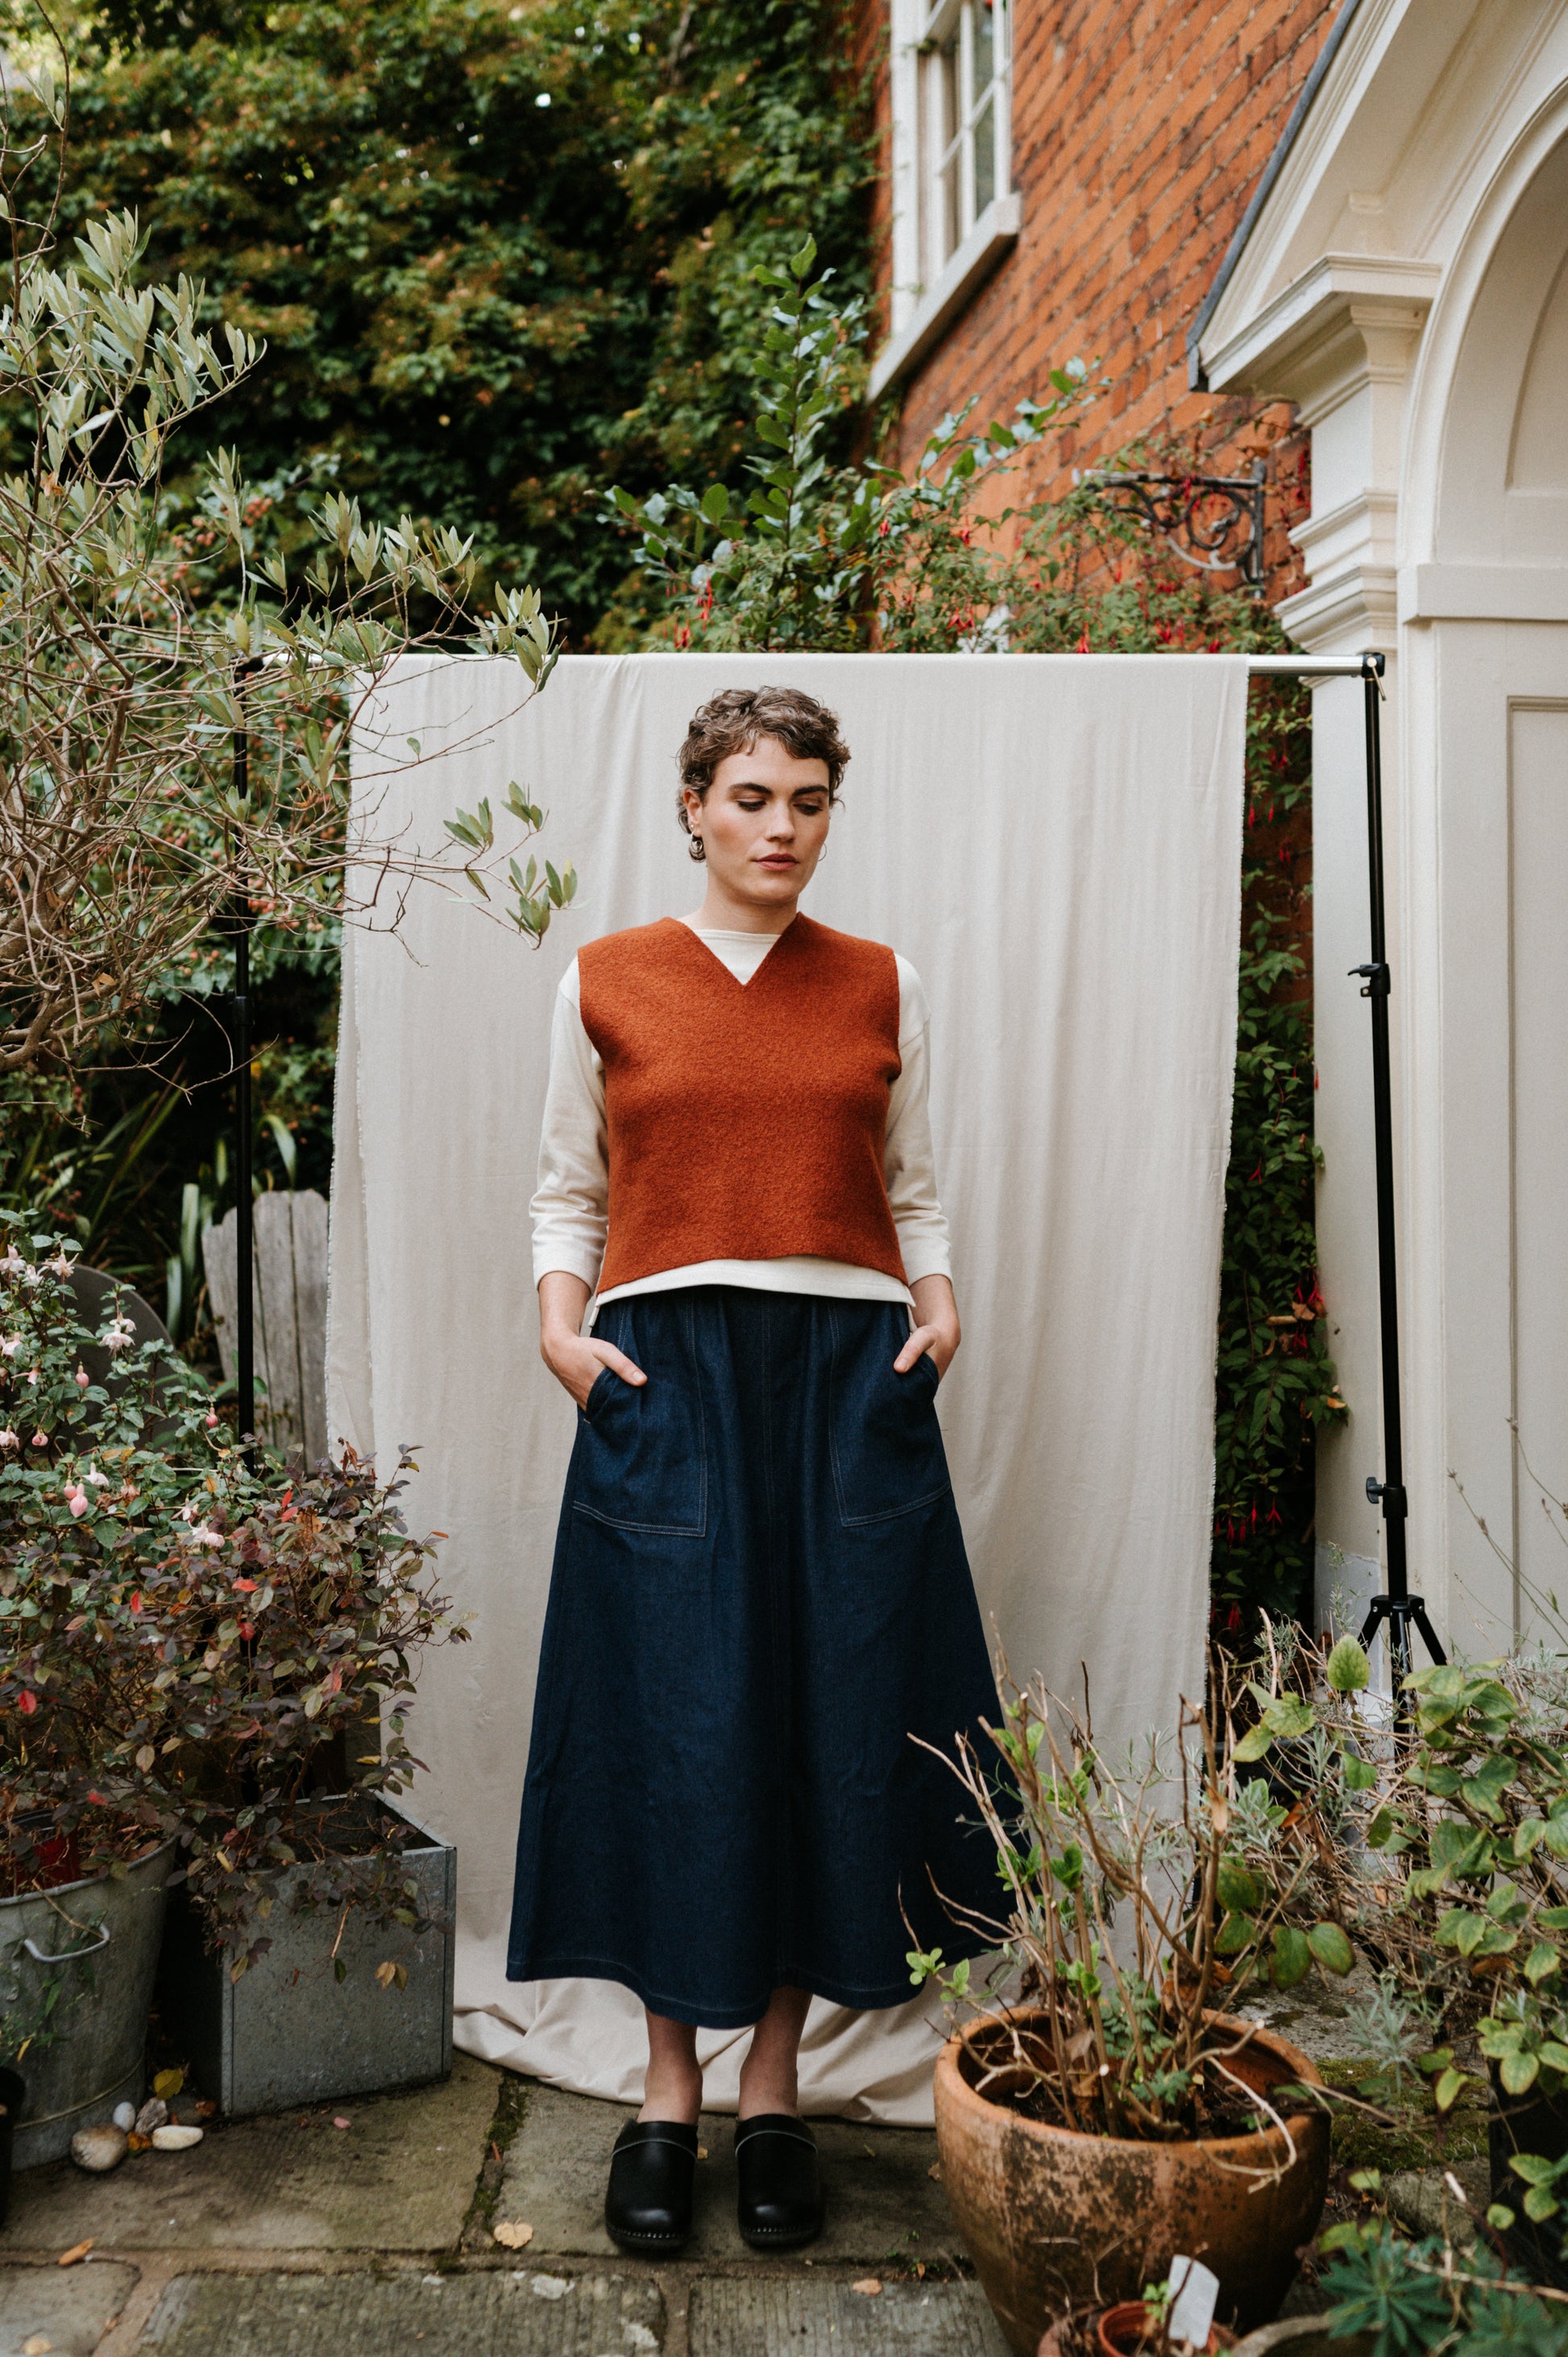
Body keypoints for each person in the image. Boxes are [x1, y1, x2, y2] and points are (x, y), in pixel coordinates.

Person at [508, 684, 999, 2256]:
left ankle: (772, 2087)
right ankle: (667, 2093)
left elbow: (912, 1186)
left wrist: (936, 1303)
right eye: (750, 796)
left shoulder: (880, 981)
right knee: (682, 1720)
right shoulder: (606, 978)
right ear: (693, 807)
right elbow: (567, 1189)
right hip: (668, 1377)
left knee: (824, 1719)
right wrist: (560, 1332)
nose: (780, 825)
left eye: (807, 799)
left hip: (847, 1383)